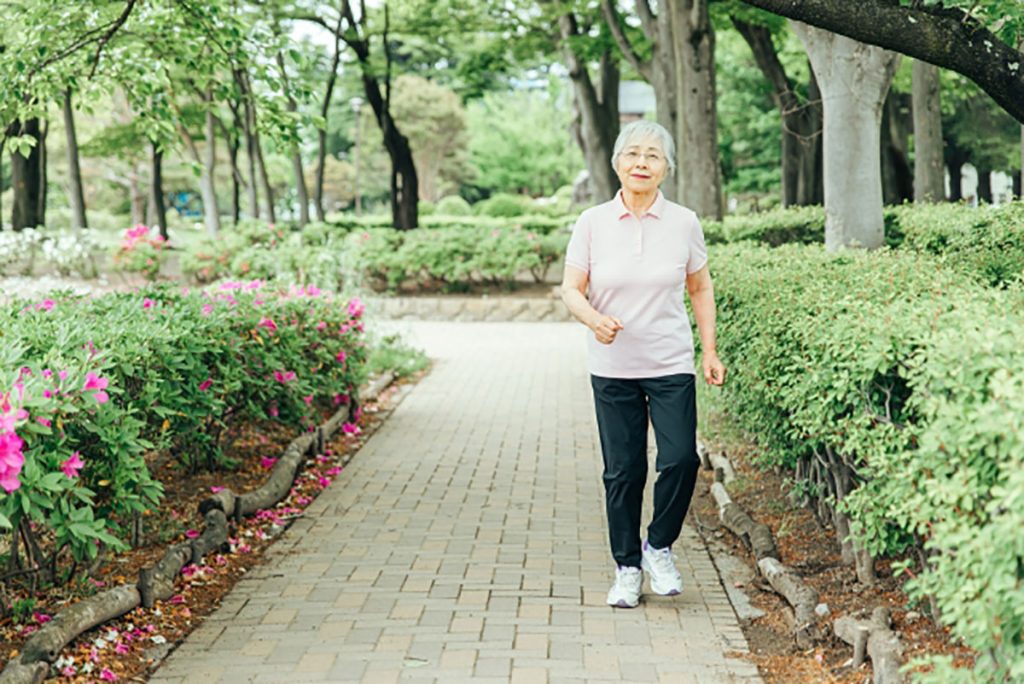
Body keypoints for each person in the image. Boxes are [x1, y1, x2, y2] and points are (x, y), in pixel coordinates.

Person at [561, 119, 726, 609]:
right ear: (616, 163)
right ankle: (627, 568)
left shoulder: (684, 222)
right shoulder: (591, 222)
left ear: (666, 168)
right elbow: (571, 289)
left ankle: (659, 546)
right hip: (612, 365)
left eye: (653, 156)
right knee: (623, 471)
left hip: (671, 360)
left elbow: (700, 287)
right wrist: (594, 320)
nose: (641, 163)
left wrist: (710, 350)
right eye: (633, 154)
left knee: (680, 459)